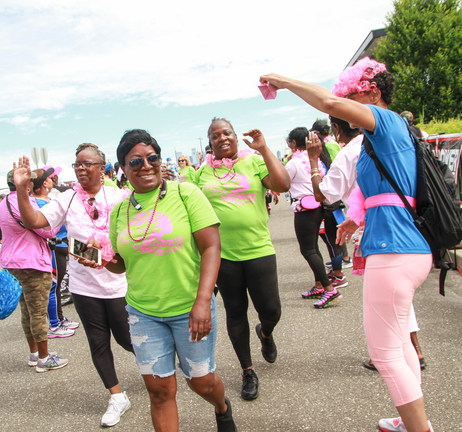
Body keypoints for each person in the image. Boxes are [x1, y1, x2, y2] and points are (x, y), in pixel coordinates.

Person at [261, 57, 434, 432]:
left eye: (350, 94)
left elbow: (327, 104)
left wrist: (283, 81)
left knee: (385, 354)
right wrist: (355, 219)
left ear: (371, 90)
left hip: (394, 250)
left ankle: (420, 428)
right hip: (405, 248)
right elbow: (383, 193)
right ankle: (411, 422)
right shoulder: (382, 137)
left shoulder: (385, 122)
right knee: (400, 343)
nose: (345, 102)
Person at [85, 128, 236, 432]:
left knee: (202, 383)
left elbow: (211, 247)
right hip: (144, 314)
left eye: (152, 157)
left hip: (191, 307)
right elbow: (122, 266)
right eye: (135, 162)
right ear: (123, 171)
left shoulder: (186, 194)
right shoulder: (119, 213)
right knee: (160, 392)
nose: (146, 166)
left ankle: (222, 407)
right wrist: (102, 260)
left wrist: (203, 301)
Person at [11, 143, 135, 428]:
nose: (80, 168)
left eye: (86, 163)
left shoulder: (119, 196)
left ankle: (157, 372)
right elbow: (35, 221)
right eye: (77, 164)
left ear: (101, 167)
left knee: (128, 340)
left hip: (118, 284)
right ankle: (116, 397)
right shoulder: (67, 198)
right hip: (83, 288)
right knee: (98, 343)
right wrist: (21, 189)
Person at [309, 116, 427, 372]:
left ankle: (393, 354)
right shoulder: (378, 141)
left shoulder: (350, 152)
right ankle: (412, 349)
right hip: (404, 226)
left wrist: (313, 160)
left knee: (386, 299)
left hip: (380, 232)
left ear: (338, 128)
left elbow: (323, 193)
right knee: (399, 293)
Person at [194, 118, 290, 401]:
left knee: (271, 310)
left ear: (236, 137)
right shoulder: (201, 174)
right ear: (209, 144)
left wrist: (264, 148)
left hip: (259, 249)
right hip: (223, 256)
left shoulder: (254, 161)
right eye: (215, 136)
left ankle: (266, 332)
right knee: (235, 313)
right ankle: (248, 370)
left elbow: (282, 184)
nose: (222, 138)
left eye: (227, 133)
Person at [0, 170, 69, 373]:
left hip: (12, 262)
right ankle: (44, 359)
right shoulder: (25, 202)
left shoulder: (3, 202)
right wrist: (60, 222)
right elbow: (44, 230)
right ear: (25, 183)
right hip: (31, 262)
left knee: (26, 310)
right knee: (38, 311)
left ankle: (34, 354)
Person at [284, 127, 344, 308]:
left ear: (294, 144)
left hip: (305, 210)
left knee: (308, 250)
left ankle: (329, 290)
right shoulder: (315, 159)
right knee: (314, 248)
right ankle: (319, 285)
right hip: (320, 206)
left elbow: (282, 183)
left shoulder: (293, 163)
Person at [29, 167, 78, 337]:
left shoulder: (49, 199)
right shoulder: (35, 203)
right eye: (49, 178)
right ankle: (54, 323)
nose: (53, 179)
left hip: (64, 244)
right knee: (53, 285)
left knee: (57, 286)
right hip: (54, 246)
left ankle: (60, 317)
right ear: (43, 184)